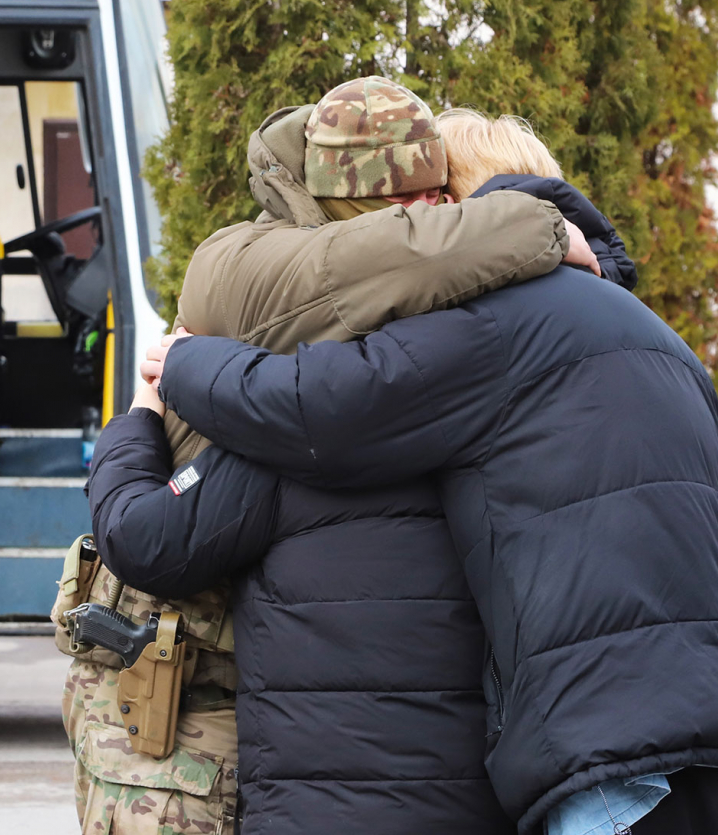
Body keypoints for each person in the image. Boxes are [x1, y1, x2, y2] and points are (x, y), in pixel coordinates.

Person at [133, 109, 718, 835]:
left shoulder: (493, 325)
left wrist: (183, 365)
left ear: (463, 219)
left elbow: (322, 407)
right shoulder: (660, 340)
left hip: (603, 756)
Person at [60, 77, 612, 834]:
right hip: (208, 705)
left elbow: (152, 538)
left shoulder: (328, 391)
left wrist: (143, 412)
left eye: (449, 202)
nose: (438, 219)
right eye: (427, 205)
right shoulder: (273, 284)